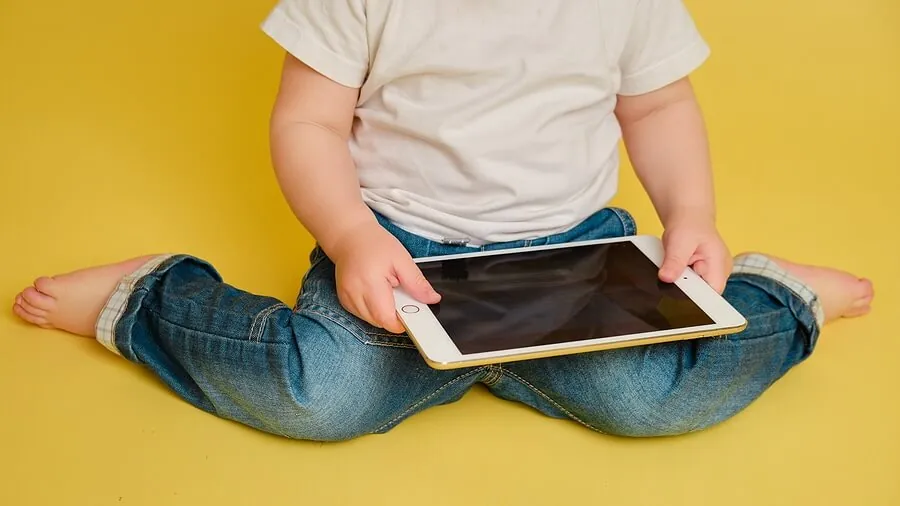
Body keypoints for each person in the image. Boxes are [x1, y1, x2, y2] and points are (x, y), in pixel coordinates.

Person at [12, 0, 874, 441]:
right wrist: (353, 236)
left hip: (574, 260)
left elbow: (658, 109)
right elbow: (306, 124)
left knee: (656, 402)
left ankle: (781, 296)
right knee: (321, 397)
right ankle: (149, 299)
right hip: (402, 255)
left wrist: (693, 213)